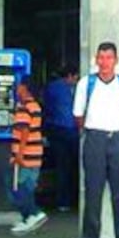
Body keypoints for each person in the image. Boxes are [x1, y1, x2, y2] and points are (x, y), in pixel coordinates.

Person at [70, 42, 119, 238]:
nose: (104, 62)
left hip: (117, 138)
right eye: (101, 57)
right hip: (94, 139)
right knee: (92, 191)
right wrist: (92, 132)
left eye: (109, 58)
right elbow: (78, 115)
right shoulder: (85, 83)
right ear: (95, 60)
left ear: (116, 61)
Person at [9, 81, 47, 236]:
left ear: (25, 88)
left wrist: (19, 154)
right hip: (36, 152)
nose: (16, 88)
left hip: (25, 154)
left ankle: (33, 213)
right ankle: (27, 219)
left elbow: (24, 131)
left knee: (19, 187)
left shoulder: (24, 107)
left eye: (19, 86)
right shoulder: (36, 106)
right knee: (29, 186)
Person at [43, 68, 79, 210]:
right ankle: (73, 199)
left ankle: (62, 201)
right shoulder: (72, 90)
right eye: (75, 78)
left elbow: (47, 108)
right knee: (74, 166)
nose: (75, 81)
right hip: (71, 130)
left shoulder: (51, 88)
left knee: (62, 166)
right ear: (69, 76)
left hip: (56, 129)